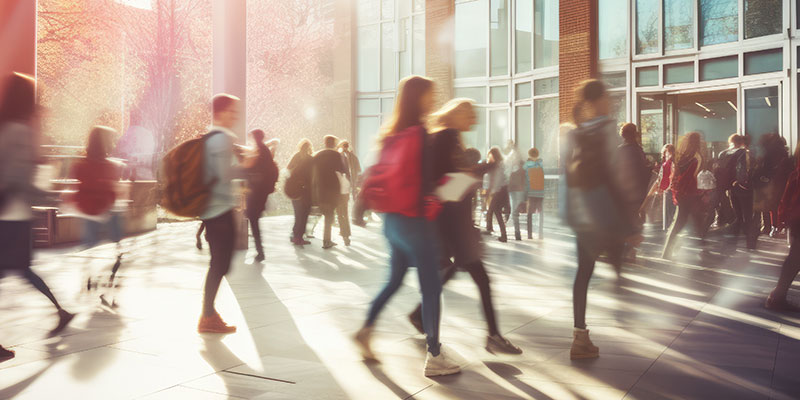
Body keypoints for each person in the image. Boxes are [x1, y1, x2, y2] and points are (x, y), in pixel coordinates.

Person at [353, 75, 461, 377]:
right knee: (431, 287)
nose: (433, 99)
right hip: (416, 222)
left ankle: (365, 330)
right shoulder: (420, 134)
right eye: (430, 94)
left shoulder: (391, 134)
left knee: (394, 280)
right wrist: (452, 186)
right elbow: (427, 183)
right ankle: (435, 355)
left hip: (392, 222)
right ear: (420, 98)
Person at [407, 98, 521, 354]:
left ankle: (419, 316)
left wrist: (476, 171)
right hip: (451, 225)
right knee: (478, 278)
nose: (474, 119)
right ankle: (489, 336)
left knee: (457, 275)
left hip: (449, 224)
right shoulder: (447, 137)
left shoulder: (447, 137)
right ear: (457, 114)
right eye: (470, 114)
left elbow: (447, 178)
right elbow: (446, 185)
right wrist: (480, 170)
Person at [0, 73, 74, 352]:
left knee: (19, 269)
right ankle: (60, 311)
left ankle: (61, 311)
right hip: (13, 214)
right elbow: (20, 175)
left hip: (9, 214)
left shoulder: (9, 128)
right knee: (21, 269)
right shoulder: (19, 130)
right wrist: (47, 195)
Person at [562, 79, 630, 359]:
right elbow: (615, 177)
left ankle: (579, 336)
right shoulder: (606, 129)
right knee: (611, 262)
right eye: (608, 97)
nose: (611, 101)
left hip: (581, 214)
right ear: (598, 100)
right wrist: (629, 223)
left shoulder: (571, 133)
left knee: (583, 272)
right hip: (603, 214)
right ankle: (618, 270)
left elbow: (569, 176)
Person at [197, 93, 241, 334]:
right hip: (220, 209)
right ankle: (207, 315)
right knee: (220, 264)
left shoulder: (209, 137)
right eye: (233, 112)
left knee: (220, 264)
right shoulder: (222, 138)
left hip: (211, 208)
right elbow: (226, 174)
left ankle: (208, 314)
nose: (235, 117)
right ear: (221, 112)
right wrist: (250, 167)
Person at [69, 126, 127, 296]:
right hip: (109, 211)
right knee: (117, 251)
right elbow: (114, 191)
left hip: (88, 211)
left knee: (90, 247)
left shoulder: (80, 165)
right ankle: (107, 279)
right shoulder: (112, 167)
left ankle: (89, 278)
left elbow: (77, 185)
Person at [766, 143, 800, 312]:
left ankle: (777, 297)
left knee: (795, 258)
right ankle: (776, 297)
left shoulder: (796, 170)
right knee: (795, 258)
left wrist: (781, 218)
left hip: (796, 217)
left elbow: (787, 194)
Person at [661, 132, 707, 260]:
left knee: (692, 221)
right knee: (683, 222)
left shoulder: (682, 157)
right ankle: (667, 252)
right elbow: (696, 176)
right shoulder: (697, 157)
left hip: (681, 193)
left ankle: (703, 247)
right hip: (692, 194)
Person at [614, 123, 651, 260]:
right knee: (636, 221)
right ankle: (628, 250)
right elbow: (641, 172)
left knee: (627, 221)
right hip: (636, 193)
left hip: (623, 193)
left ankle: (626, 249)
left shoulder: (619, 150)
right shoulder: (637, 150)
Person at [242, 129, 279, 262]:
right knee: (253, 220)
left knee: (253, 220)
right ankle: (259, 250)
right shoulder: (263, 150)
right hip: (259, 192)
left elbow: (251, 168)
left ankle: (260, 251)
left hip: (257, 193)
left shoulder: (260, 151)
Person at [311, 135, 350, 248]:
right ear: (333, 144)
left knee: (328, 215)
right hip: (333, 190)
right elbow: (342, 170)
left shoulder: (317, 155)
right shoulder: (336, 155)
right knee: (330, 216)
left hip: (320, 190)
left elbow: (312, 173)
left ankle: (327, 240)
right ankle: (327, 241)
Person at [753, 134, 792, 238]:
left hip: (771, 183)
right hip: (781, 183)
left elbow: (765, 169)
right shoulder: (785, 154)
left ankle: (770, 227)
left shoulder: (769, 153)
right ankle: (777, 227)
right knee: (778, 205)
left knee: (771, 206)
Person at [287, 139, 313, 246]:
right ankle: (298, 238)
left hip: (294, 189)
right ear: (310, 148)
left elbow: (288, 169)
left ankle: (295, 235)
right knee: (303, 215)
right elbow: (313, 176)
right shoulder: (310, 159)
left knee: (298, 214)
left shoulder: (296, 156)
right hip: (305, 190)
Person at [485, 147, 509, 242]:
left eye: (490, 155)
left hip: (500, 190)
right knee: (496, 211)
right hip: (503, 189)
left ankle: (502, 234)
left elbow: (498, 179)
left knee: (495, 210)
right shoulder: (501, 164)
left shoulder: (499, 165)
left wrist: (493, 191)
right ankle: (502, 234)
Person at [507, 142, 527, 241]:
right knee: (514, 212)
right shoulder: (519, 170)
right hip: (517, 190)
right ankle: (517, 232)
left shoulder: (518, 171)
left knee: (514, 212)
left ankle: (517, 232)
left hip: (516, 190)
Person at [524, 147, 545, 239]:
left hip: (531, 192)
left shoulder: (527, 165)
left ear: (529, 155)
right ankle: (540, 234)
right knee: (540, 214)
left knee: (529, 214)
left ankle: (530, 234)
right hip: (541, 192)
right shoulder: (541, 164)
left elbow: (524, 177)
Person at [658, 144, 676, 230]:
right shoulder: (673, 162)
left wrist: (662, 188)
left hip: (669, 189)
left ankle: (668, 227)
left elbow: (665, 178)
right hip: (672, 189)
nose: (666, 155)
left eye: (668, 153)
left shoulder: (667, 163)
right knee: (672, 210)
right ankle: (671, 226)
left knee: (668, 209)